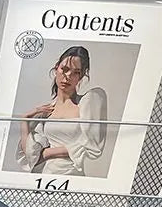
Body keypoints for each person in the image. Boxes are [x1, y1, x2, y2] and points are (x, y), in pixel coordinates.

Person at [17, 45, 108, 176]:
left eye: (76, 72)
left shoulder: (88, 101)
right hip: (44, 175)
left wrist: (48, 153)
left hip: (71, 175)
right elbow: (30, 156)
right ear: (56, 69)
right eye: (64, 69)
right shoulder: (46, 112)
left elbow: (92, 147)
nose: (68, 76)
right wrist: (25, 120)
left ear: (81, 76)